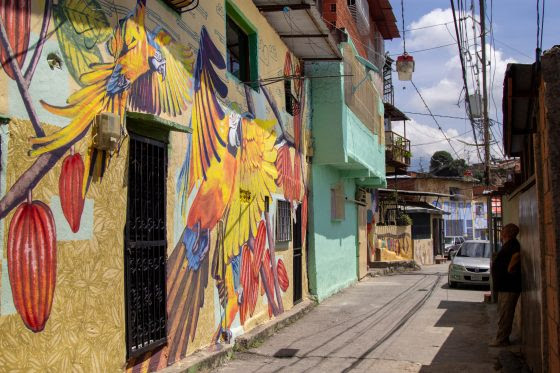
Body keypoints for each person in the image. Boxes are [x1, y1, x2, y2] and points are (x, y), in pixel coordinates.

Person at [489, 223, 521, 347]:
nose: (501, 233)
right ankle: (501, 337)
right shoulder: (508, 244)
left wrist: (510, 268)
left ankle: (502, 340)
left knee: (506, 314)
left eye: (503, 231)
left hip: (509, 286)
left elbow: (517, 256)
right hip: (505, 286)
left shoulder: (513, 244)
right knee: (503, 313)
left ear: (507, 233)